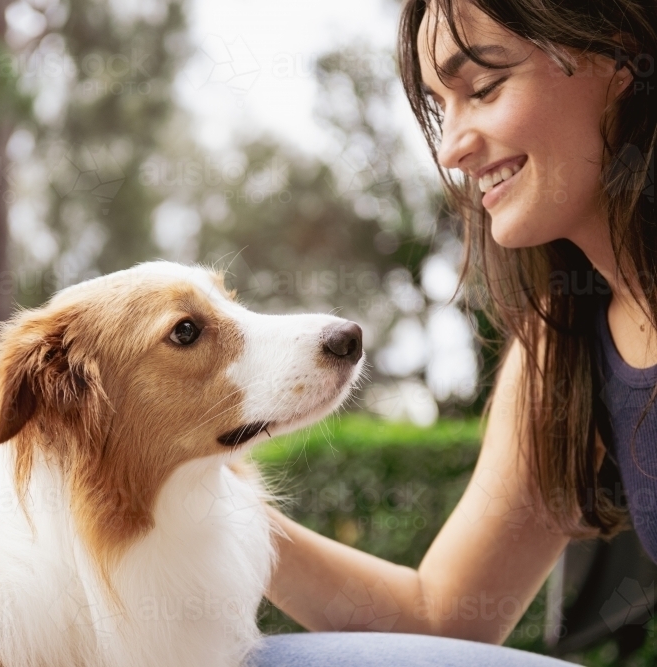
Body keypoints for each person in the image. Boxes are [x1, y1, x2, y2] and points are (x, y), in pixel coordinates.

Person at [247, 0, 657, 665]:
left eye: (485, 87)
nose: (451, 148)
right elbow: (441, 624)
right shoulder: (563, 345)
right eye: (441, 108)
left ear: (620, 58)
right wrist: (213, 506)